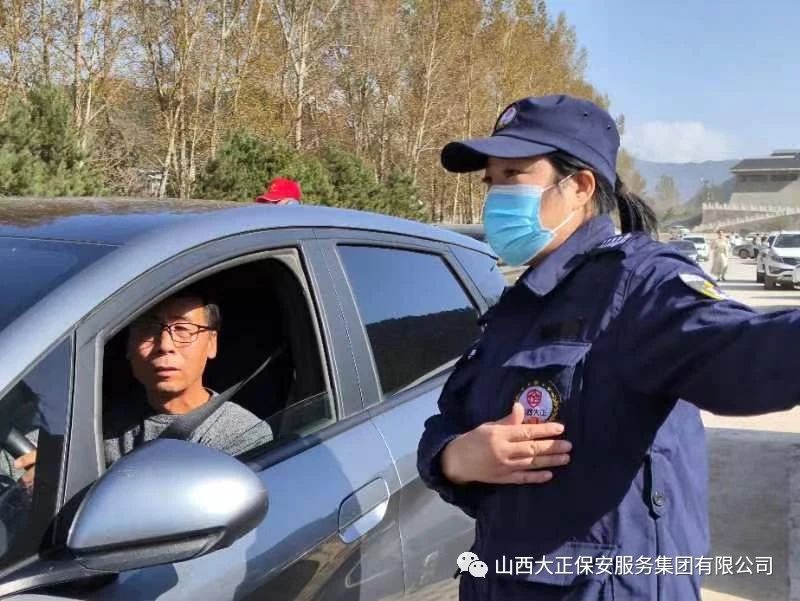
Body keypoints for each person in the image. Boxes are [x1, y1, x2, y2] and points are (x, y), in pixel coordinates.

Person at [417, 95, 800, 601]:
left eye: (513, 174)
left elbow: (745, 353)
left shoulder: (639, 285)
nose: (496, 196)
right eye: (491, 180)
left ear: (579, 186)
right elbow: (450, 418)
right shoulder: (523, 302)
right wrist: (456, 458)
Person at [7, 288, 273, 485]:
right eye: (148, 329)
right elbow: (17, 456)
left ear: (212, 343)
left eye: (183, 329)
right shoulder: (101, 419)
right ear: (128, 346)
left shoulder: (241, 435)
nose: (165, 345)